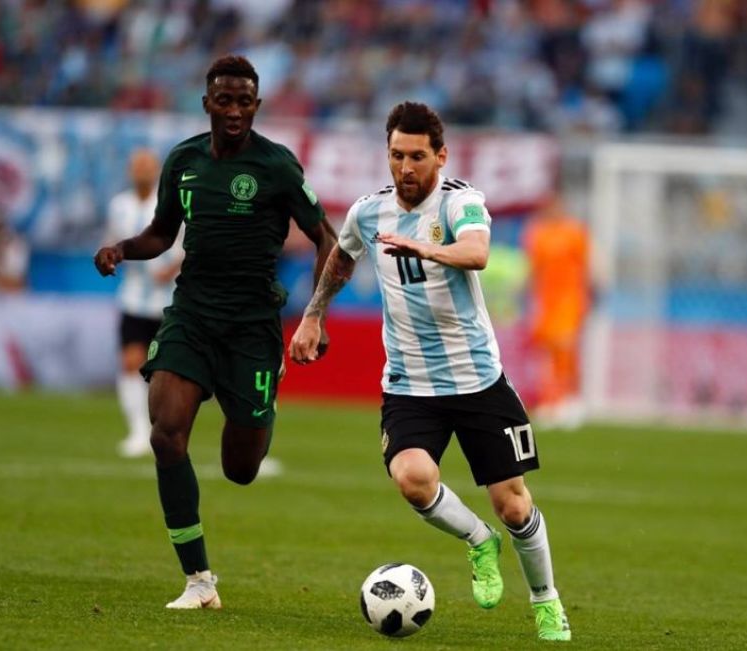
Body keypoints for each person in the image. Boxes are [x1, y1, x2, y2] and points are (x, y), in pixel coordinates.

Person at [289, 101, 572, 642]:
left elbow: (478, 252)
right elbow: (342, 258)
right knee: (412, 479)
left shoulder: (461, 202)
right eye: (397, 155)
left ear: (440, 155)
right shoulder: (368, 213)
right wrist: (313, 313)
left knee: (513, 504)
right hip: (409, 384)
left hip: (479, 379)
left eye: (417, 156)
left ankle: (545, 600)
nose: (406, 167)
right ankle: (477, 541)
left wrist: (425, 246)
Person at [93, 54, 336, 609]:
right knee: (165, 432)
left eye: (243, 101)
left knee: (241, 469)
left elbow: (327, 237)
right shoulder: (183, 161)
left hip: (252, 328)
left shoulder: (276, 166)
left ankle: (261, 405)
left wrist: (315, 311)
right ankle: (199, 581)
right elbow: (160, 233)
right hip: (192, 316)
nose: (233, 111)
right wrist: (122, 250)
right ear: (207, 103)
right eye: (223, 100)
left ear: (256, 105)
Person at [102, 148, 183, 458]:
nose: (143, 172)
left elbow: (189, 244)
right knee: (130, 362)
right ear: (130, 172)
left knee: (164, 372)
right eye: (138, 167)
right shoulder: (118, 206)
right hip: (134, 298)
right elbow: (112, 243)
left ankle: (163, 428)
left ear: (157, 171)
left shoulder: (170, 204)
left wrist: (172, 268)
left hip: (169, 300)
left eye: (148, 167)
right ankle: (137, 431)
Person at [521, 192, 590, 429]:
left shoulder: (575, 231)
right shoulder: (537, 233)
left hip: (570, 299)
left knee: (566, 350)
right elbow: (532, 269)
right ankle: (551, 402)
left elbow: (588, 265)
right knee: (547, 355)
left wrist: (591, 295)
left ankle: (571, 400)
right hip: (545, 302)